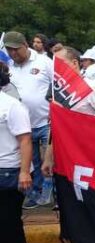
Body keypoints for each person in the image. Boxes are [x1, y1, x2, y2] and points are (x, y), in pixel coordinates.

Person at [3, 31, 53, 209]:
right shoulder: (9, 66)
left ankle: (54, 195)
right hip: (24, 124)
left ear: (25, 45)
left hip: (46, 120)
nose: (13, 53)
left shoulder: (44, 62)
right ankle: (35, 193)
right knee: (32, 161)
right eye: (9, 50)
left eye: (16, 49)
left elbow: (57, 86)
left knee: (51, 158)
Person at [0, 89, 33, 243]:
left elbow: (25, 140)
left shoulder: (11, 106)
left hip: (9, 170)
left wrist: (24, 172)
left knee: (7, 222)